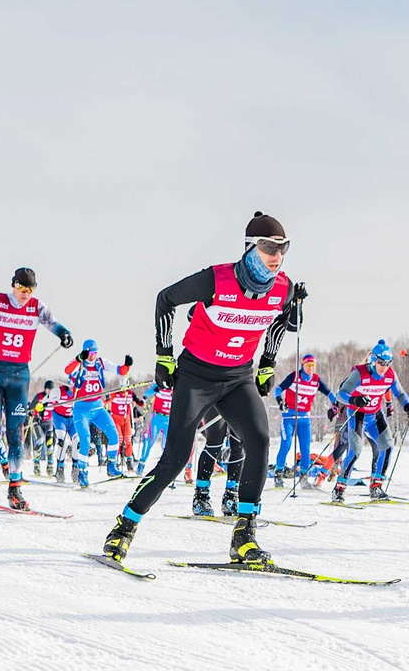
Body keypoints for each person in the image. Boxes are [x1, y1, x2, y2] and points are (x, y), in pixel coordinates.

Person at [101, 213, 302, 569]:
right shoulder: (217, 279)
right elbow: (165, 299)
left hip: (238, 378)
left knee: (258, 439)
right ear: (250, 248)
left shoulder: (283, 287)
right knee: (175, 460)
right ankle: (124, 527)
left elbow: (281, 322)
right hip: (197, 377)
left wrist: (268, 362)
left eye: (283, 248)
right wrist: (164, 356)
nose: (277, 255)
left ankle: (244, 538)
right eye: (270, 247)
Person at [0, 268, 72, 511]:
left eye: (30, 289)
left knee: (16, 432)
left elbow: (53, 323)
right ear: (13, 285)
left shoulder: (37, 307)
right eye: (22, 289)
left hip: (19, 376)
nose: (26, 294)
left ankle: (14, 487)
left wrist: (64, 334)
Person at [330, 341, 409, 502]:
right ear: (373, 360)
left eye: (387, 364)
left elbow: (400, 393)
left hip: (375, 415)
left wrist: (408, 406)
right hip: (358, 415)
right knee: (355, 451)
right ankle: (339, 489)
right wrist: (354, 400)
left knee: (387, 447)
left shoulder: (390, 375)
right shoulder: (360, 373)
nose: (384, 367)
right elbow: (341, 394)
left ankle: (376, 487)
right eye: (381, 363)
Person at [64, 342, 126, 484]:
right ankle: (82, 473)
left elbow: (120, 371)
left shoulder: (101, 363)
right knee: (85, 441)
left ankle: (111, 465)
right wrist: (79, 358)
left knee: (114, 435)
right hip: (81, 410)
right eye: (91, 354)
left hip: (98, 408)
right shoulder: (80, 364)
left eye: (95, 353)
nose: (93, 357)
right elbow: (67, 370)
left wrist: (127, 365)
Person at [272, 352, 324, 481]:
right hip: (289, 417)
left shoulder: (316, 380)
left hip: (304, 419)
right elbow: (278, 389)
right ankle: (279, 472)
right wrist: (280, 401)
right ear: (303, 365)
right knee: (286, 444)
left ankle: (304, 476)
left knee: (305, 449)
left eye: (313, 365)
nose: (310, 368)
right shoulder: (294, 376)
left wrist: (335, 407)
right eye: (308, 365)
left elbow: (329, 393)